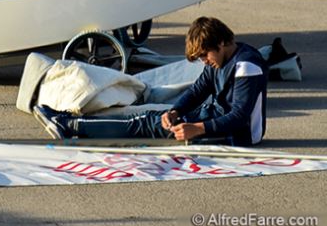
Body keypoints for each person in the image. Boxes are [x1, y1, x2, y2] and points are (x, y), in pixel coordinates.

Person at [33, 17, 269, 146]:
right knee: (156, 118)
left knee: (147, 124)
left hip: (239, 135)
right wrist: (176, 110)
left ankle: (72, 126)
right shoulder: (219, 60)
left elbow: (240, 116)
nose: (205, 62)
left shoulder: (246, 66)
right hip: (216, 118)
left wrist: (197, 129)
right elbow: (199, 89)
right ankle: (74, 124)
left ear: (221, 44)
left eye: (205, 55)